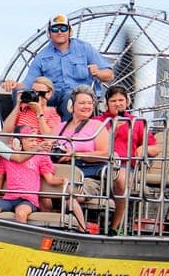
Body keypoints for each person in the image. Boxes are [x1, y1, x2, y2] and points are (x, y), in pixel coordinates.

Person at [0, 14, 113, 120]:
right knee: (21, 93)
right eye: (55, 29)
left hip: (79, 96)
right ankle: (22, 132)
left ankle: (67, 135)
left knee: (70, 97)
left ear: (70, 31)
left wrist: (98, 73)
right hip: (51, 96)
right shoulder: (42, 56)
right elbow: (28, 83)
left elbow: (109, 75)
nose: (59, 32)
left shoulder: (85, 48)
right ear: (49, 33)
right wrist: (13, 85)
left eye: (63, 28)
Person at [52, 85, 124, 235]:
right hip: (61, 172)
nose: (87, 107)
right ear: (71, 106)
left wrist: (75, 154)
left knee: (68, 193)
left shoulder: (97, 126)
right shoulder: (59, 128)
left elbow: (105, 154)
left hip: (88, 175)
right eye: (82, 103)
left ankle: (82, 230)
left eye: (90, 103)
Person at [0, 126, 72, 224]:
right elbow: (0, 176)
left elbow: (50, 179)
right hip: (9, 198)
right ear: (17, 142)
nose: (35, 144)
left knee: (21, 213)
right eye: (31, 140)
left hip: (28, 200)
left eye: (35, 141)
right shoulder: (9, 156)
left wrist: (63, 180)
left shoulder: (40, 155)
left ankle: (19, 238)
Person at [93, 85, 160, 164]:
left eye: (121, 100)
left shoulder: (136, 122)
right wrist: (113, 130)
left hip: (126, 165)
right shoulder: (97, 121)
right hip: (101, 162)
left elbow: (155, 149)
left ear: (127, 102)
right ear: (107, 104)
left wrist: (144, 148)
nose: (118, 104)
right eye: (113, 101)